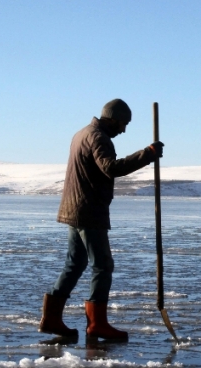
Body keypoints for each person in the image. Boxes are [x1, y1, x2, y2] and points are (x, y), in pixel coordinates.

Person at [39, 99, 163, 341]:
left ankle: (51, 318)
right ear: (112, 118)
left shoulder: (82, 133)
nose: (123, 130)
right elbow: (111, 168)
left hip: (76, 208)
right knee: (102, 265)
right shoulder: (98, 137)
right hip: (88, 211)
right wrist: (146, 155)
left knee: (74, 264)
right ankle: (97, 324)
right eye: (123, 123)